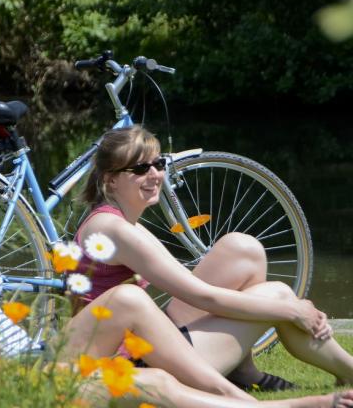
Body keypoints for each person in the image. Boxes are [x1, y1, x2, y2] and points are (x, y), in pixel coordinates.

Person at [0, 130, 353, 408]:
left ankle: (263, 396)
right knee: (143, 321)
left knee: (163, 367)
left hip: (33, 352)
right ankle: (277, 403)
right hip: (15, 367)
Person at [68, 124, 353, 396]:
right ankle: (349, 371)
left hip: (143, 340)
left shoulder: (119, 221)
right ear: (110, 179)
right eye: (141, 168)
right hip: (137, 362)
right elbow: (202, 297)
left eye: (159, 164)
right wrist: (292, 310)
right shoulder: (116, 230)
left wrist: (291, 308)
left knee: (243, 250)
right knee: (278, 295)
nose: (155, 175)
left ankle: (242, 370)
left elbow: (185, 282)